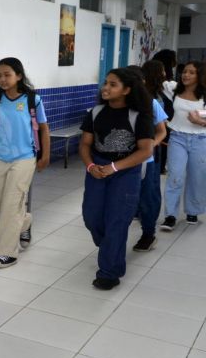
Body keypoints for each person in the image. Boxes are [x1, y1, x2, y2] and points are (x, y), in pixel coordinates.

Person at [79, 68, 154, 290]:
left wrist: (114, 167)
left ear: (127, 90)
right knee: (91, 217)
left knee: (117, 221)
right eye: (106, 83)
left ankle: (109, 273)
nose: (106, 88)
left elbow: (145, 151)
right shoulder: (95, 113)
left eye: (113, 84)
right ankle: (110, 247)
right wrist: (91, 166)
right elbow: (85, 144)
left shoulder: (139, 116)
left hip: (125, 172)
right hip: (97, 169)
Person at [0, 58, 50, 268]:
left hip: (24, 158)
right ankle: (25, 221)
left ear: (19, 76)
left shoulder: (32, 99)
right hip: (1, 157)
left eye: (7, 74)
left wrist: (45, 156)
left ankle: (8, 253)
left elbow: (44, 128)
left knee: (10, 206)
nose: (2, 79)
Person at [159, 61, 206, 230]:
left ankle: (193, 211)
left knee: (197, 177)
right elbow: (156, 79)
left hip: (201, 139)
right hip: (177, 138)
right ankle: (170, 215)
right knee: (175, 175)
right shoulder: (174, 89)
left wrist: (199, 121)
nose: (186, 75)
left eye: (192, 72)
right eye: (185, 71)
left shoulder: (204, 96)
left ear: (200, 76)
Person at [126, 65, 167, 252]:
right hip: (121, 161)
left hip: (145, 161)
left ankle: (148, 234)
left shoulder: (151, 104)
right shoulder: (115, 105)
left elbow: (161, 131)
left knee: (147, 198)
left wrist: (150, 146)